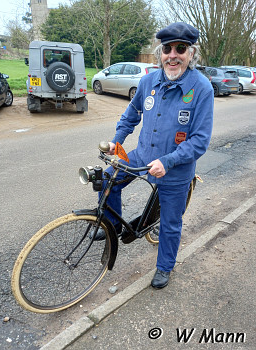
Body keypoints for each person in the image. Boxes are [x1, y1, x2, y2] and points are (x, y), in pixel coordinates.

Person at [96, 22, 214, 289]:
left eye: (180, 49)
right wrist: (117, 141)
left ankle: (164, 268)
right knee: (106, 178)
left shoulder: (202, 89)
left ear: (191, 53)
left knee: (171, 223)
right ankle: (113, 224)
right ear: (160, 53)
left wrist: (168, 161)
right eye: (167, 49)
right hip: (142, 155)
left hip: (175, 168)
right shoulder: (148, 80)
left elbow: (200, 141)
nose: (173, 55)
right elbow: (131, 114)